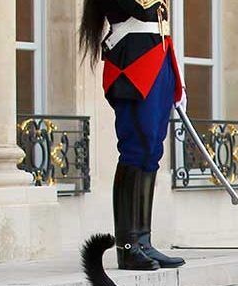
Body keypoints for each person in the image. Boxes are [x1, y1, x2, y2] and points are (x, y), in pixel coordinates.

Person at [78, 0, 185, 271]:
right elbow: (138, 8)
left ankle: (143, 241)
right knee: (136, 149)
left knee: (152, 152)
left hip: (157, 57)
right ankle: (127, 247)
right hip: (133, 64)